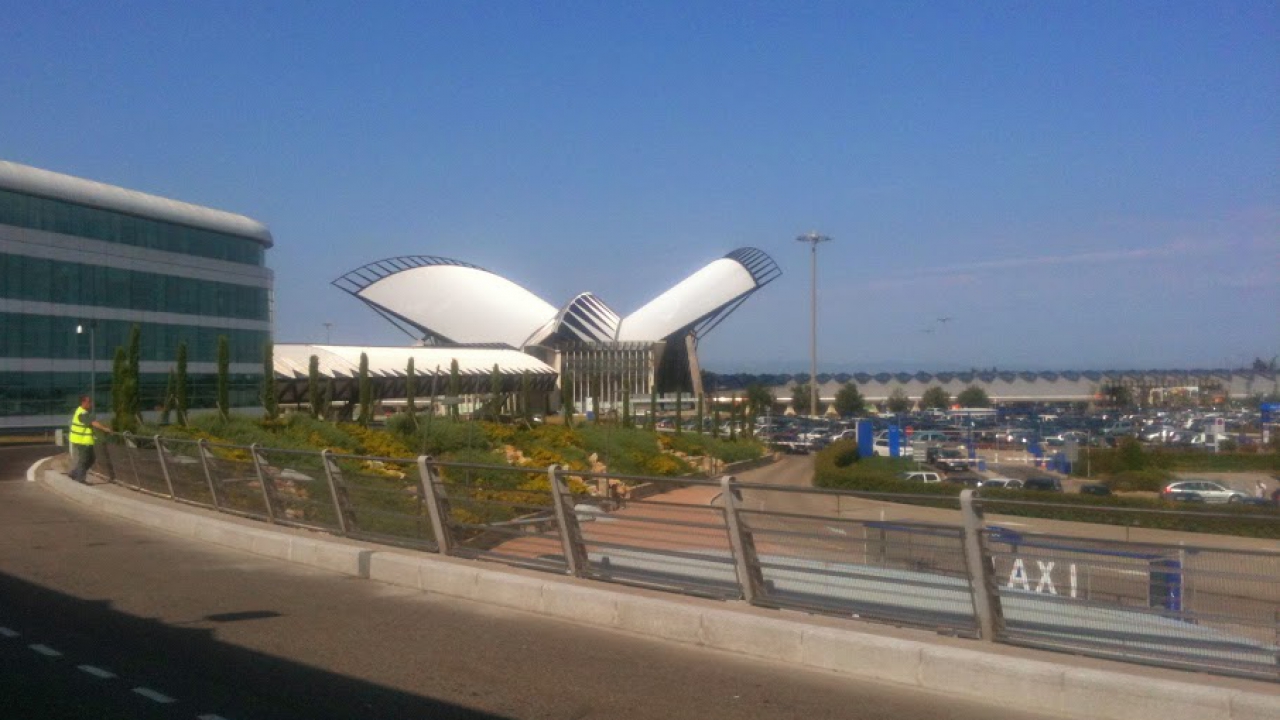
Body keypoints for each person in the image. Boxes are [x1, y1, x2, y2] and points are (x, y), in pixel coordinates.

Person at [68, 395, 111, 483]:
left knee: (91, 459)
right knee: (84, 460)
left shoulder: (81, 411)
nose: (90, 404)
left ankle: (74, 473)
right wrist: (105, 429)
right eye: (89, 402)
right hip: (82, 441)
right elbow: (93, 423)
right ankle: (80, 479)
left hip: (84, 441)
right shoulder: (82, 413)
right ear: (83, 402)